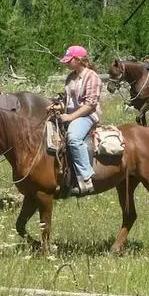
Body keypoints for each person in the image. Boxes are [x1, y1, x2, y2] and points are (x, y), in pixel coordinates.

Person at [47, 45, 102, 196]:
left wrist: (70, 117)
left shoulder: (92, 77)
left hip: (87, 116)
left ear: (78, 60)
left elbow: (90, 105)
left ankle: (86, 178)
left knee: (73, 138)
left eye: (69, 60)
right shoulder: (71, 77)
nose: (66, 63)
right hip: (70, 114)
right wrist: (58, 106)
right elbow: (68, 100)